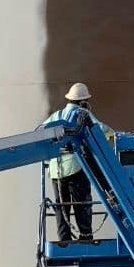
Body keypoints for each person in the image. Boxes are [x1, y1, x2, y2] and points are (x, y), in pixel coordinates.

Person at [41, 82, 114, 242]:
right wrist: (118, 136)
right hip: (75, 166)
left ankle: (64, 239)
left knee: (61, 207)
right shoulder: (82, 113)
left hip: (55, 170)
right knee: (82, 203)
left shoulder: (57, 116)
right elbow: (102, 129)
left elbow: (40, 131)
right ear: (83, 101)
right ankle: (85, 236)